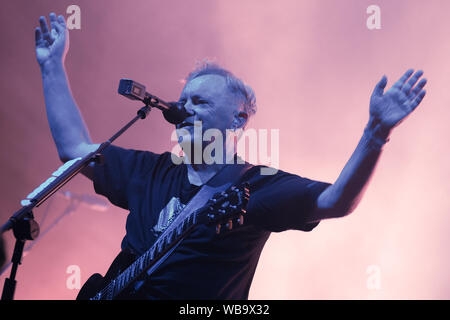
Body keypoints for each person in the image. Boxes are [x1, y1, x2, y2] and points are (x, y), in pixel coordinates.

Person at [35, 13, 426, 299]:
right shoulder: (149, 171)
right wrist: (53, 67)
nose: (183, 107)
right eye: (182, 100)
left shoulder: (257, 185)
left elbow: (336, 201)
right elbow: (74, 151)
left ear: (238, 117)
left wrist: (375, 135)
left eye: (200, 101)